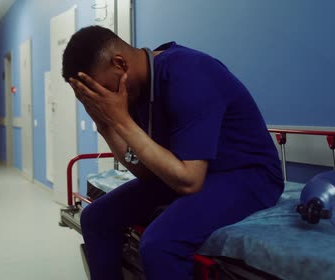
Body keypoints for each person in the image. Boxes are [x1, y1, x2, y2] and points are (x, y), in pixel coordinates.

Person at [62, 25, 283, 280]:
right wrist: (105, 125)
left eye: (99, 91)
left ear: (120, 64)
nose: (101, 101)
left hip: (248, 175)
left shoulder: (189, 73)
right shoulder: (134, 91)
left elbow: (189, 181)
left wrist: (120, 121)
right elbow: (147, 171)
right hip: (193, 172)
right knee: (95, 218)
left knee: (159, 244)